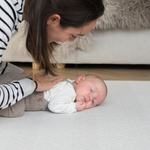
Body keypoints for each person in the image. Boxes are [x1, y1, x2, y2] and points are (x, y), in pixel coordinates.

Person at [0, 0, 105, 110]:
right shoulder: (4, 14)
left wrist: (24, 74)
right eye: (73, 35)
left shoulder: (16, 9)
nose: (71, 40)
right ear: (53, 19)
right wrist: (32, 84)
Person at [0, 73, 107, 117]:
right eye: (91, 90)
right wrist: (73, 106)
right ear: (80, 79)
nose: (90, 97)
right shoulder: (69, 92)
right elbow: (54, 106)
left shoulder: (67, 84)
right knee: (17, 111)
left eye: (93, 101)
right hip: (25, 98)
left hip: (20, 85)